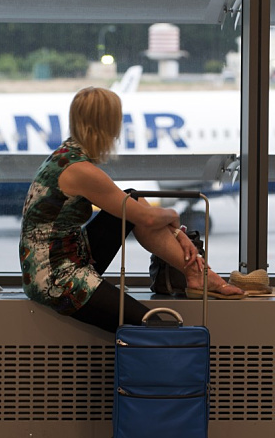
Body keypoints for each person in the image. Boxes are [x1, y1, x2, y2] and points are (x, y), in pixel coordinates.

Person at [19, 86, 243, 334]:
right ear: (105, 125)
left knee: (131, 198)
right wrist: (174, 217)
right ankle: (198, 275)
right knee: (154, 326)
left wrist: (176, 232)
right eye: (117, 122)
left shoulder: (66, 156)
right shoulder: (80, 171)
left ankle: (196, 273)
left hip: (67, 256)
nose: (118, 131)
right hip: (54, 277)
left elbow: (134, 208)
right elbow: (146, 218)